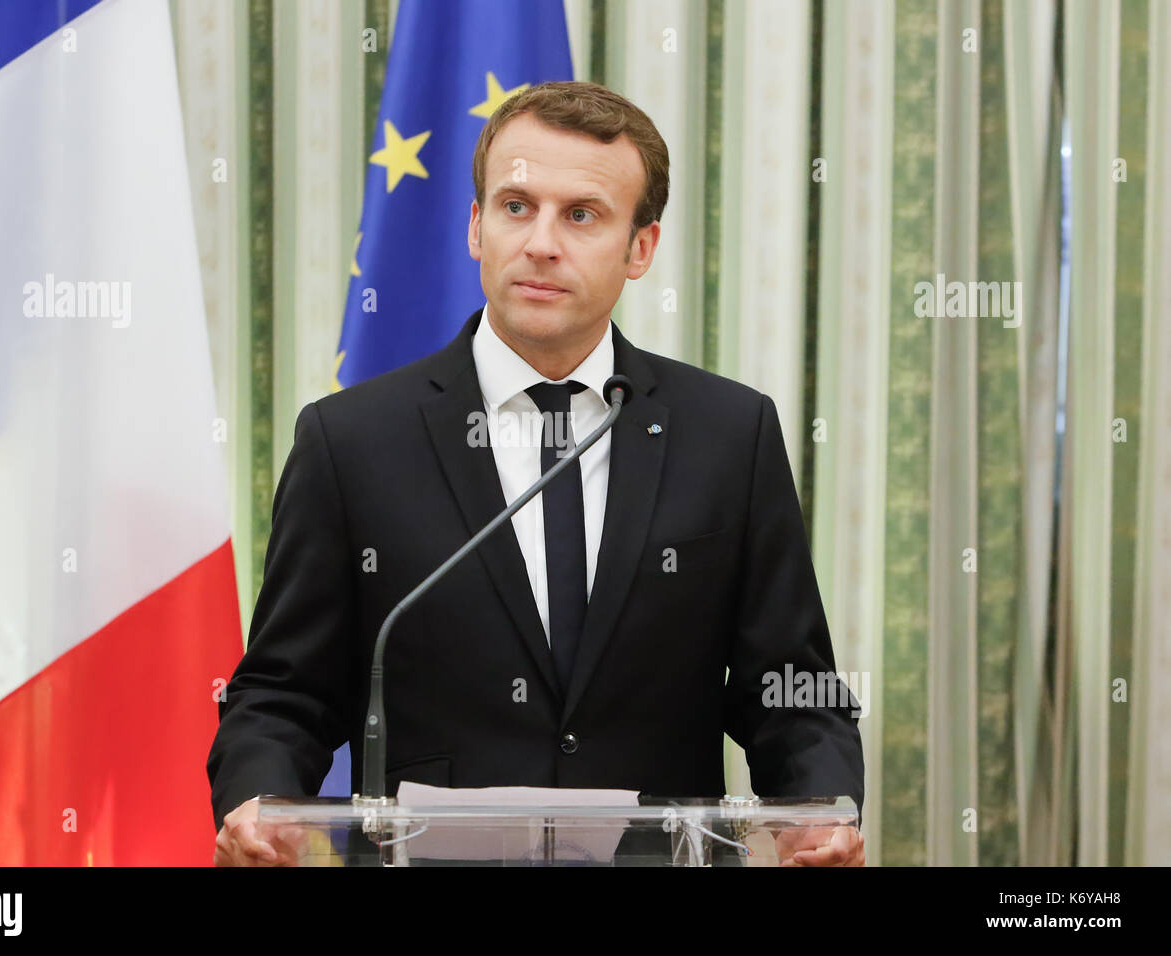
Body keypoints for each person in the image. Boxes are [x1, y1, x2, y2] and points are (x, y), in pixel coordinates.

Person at [208, 81, 865, 867]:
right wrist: (257, 800)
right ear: (476, 227)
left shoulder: (730, 434)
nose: (542, 242)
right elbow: (284, 692)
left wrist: (821, 808)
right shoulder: (351, 441)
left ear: (641, 248)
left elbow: (791, 692)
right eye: (517, 206)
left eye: (581, 215)